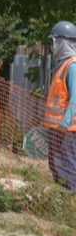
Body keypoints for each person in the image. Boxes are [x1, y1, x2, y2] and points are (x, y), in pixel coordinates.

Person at [44, 20, 76, 190]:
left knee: (68, 168)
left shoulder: (72, 66)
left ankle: (72, 205)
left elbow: (75, 100)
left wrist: (64, 124)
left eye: (54, 42)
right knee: (56, 166)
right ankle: (65, 202)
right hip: (57, 129)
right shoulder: (61, 66)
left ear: (62, 42)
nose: (52, 46)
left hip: (67, 130)